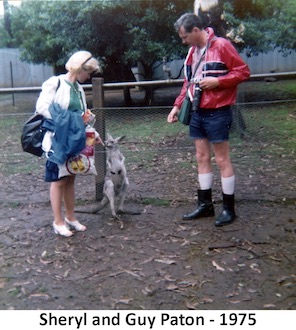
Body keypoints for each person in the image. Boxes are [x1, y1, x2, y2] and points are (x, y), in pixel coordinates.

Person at [167, 13, 250, 226]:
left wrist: (219, 82)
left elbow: (243, 71)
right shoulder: (191, 53)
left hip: (217, 111)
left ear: (196, 31)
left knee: (222, 159)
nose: (183, 41)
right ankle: (205, 206)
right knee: (201, 156)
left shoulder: (221, 45)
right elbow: (188, 83)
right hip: (196, 111)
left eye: (185, 37)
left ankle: (228, 209)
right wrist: (177, 106)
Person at [36, 51, 101, 237]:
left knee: (71, 176)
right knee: (58, 180)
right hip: (58, 139)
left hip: (74, 138)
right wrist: (68, 120)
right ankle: (58, 221)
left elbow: (82, 115)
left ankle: (71, 217)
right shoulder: (55, 83)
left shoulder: (78, 88)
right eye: (87, 72)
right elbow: (42, 107)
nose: (88, 77)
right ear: (79, 69)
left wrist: (93, 133)